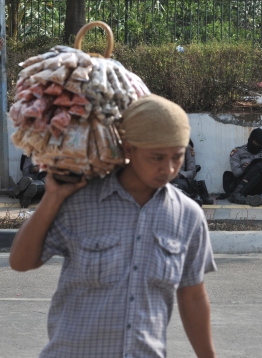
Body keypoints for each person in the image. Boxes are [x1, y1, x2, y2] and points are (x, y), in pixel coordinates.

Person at [9, 95, 217, 358]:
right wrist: (52, 196)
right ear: (128, 149)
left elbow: (193, 296)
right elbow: (20, 262)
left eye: (177, 157)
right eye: (156, 158)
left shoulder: (188, 215)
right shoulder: (80, 201)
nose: (168, 168)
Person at [170, 139, 213, 206]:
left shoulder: (186, 148)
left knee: (177, 187)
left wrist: (179, 175)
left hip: (179, 180)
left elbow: (192, 172)